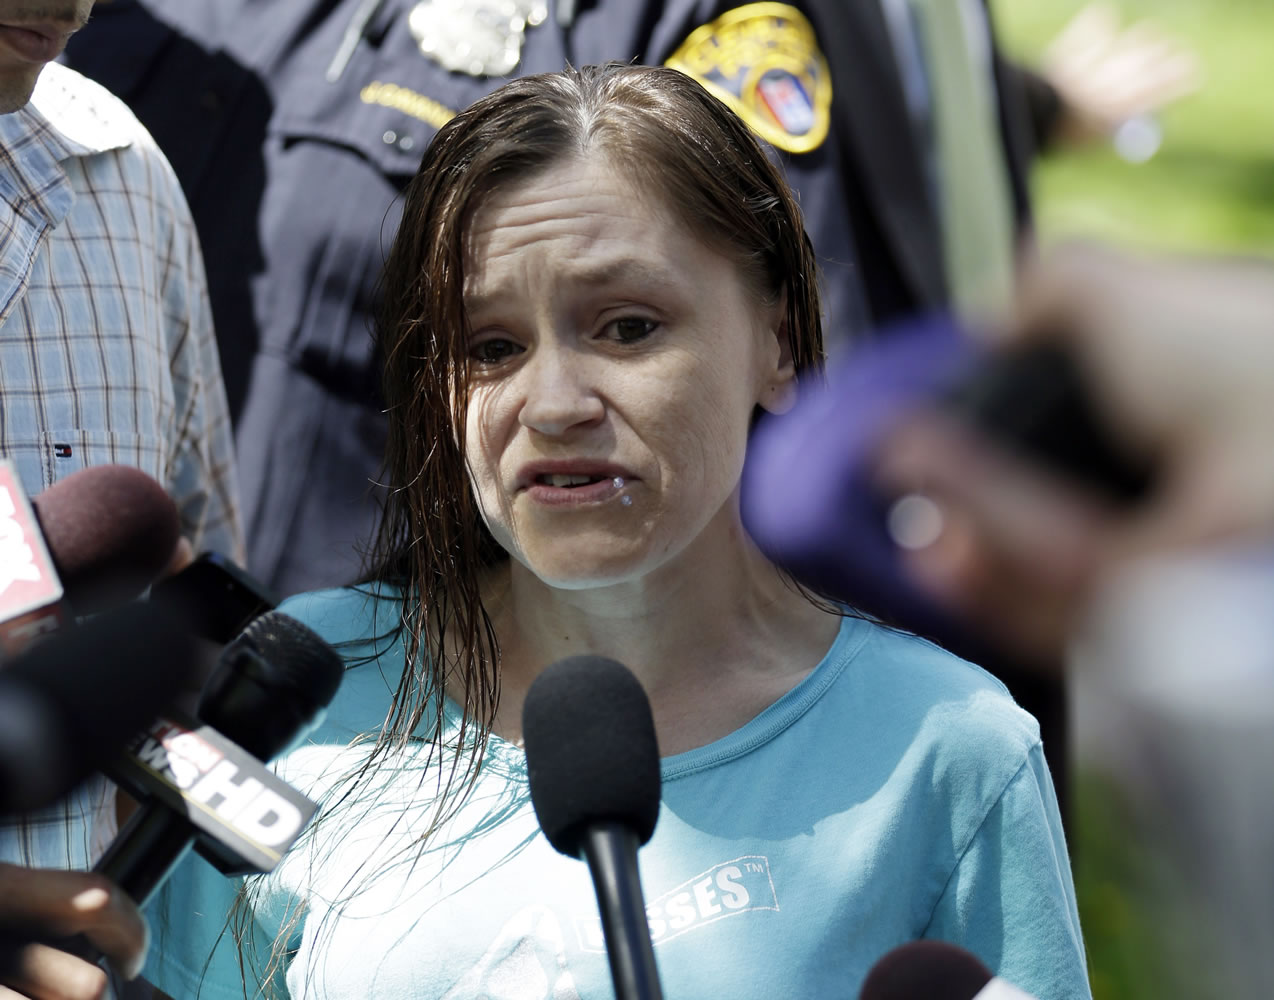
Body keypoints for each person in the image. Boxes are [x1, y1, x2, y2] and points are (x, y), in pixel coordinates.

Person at [115, 64, 1089, 1000]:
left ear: (779, 341)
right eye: (490, 347)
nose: (551, 402)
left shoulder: (947, 747)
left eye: (625, 327)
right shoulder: (304, 692)